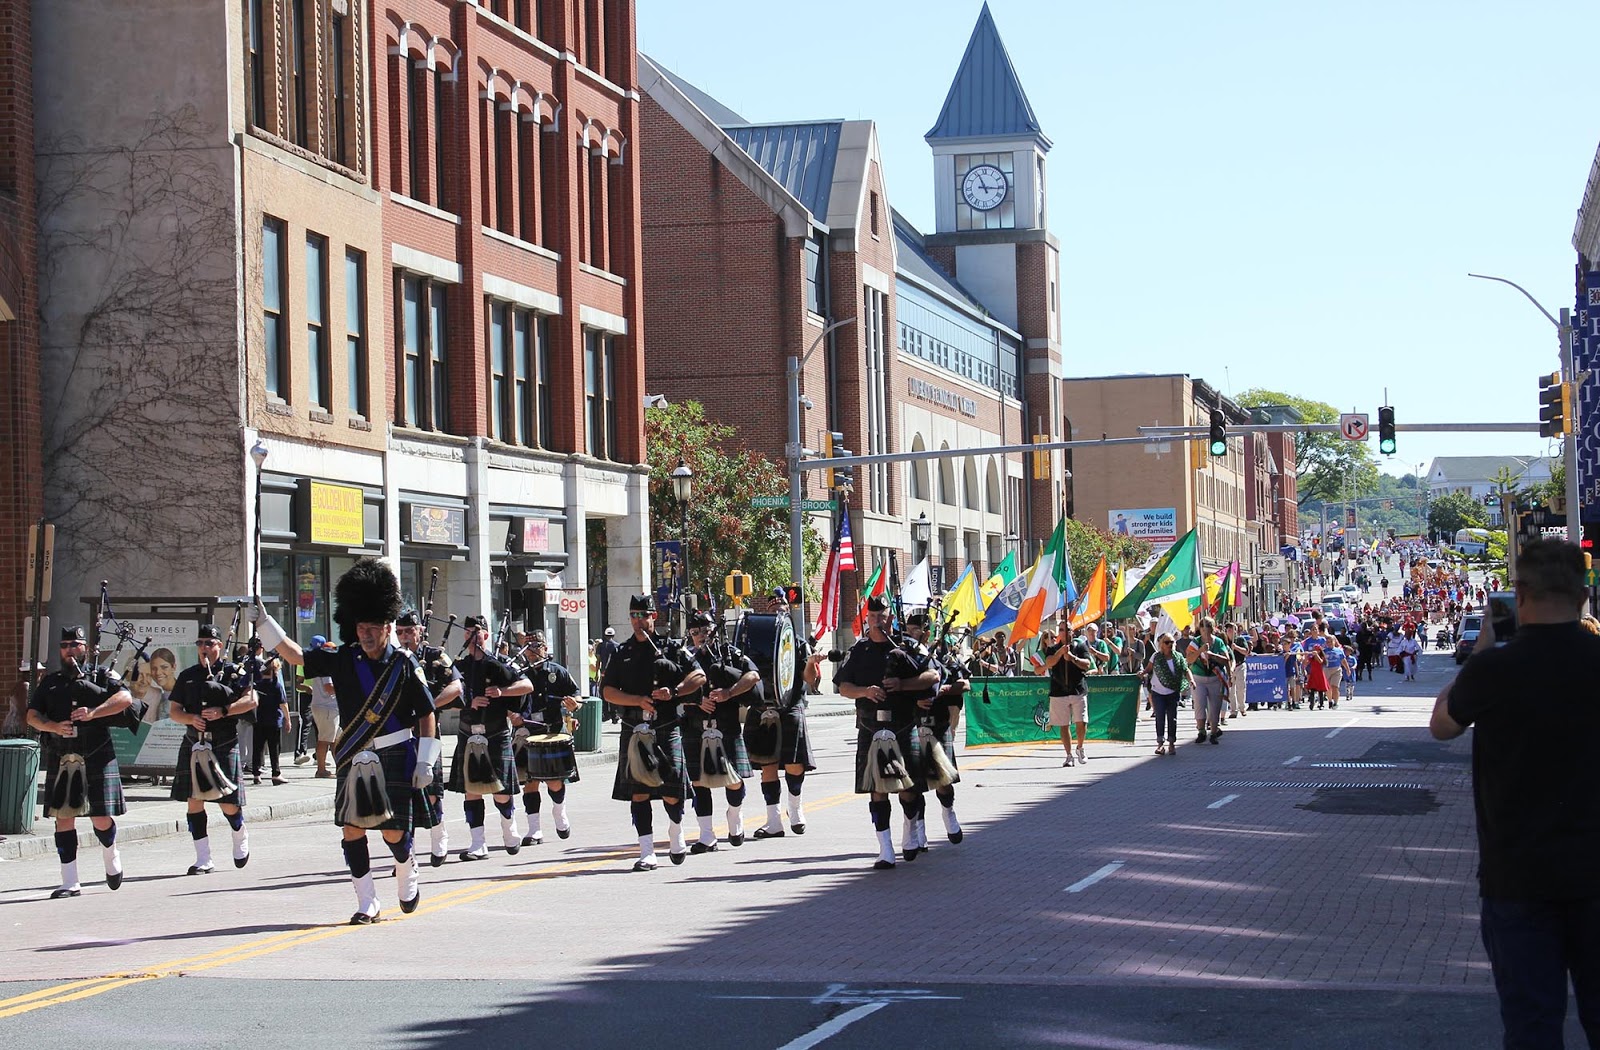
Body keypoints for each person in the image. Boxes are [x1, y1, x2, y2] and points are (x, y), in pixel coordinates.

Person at [1429, 538, 1600, 1048]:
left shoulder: (1494, 669)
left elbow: (1442, 726)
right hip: (1596, 870)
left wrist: (1482, 649)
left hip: (1518, 874)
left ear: (1518, 592)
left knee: (1531, 1024)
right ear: (1583, 593)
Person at [256, 558, 440, 925]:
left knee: (393, 831)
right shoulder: (343, 659)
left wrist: (425, 760)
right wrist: (263, 623)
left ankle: (406, 868)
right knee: (352, 828)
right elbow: (294, 656)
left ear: (387, 628)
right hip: (355, 754)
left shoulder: (404, 665)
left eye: (373, 627)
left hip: (396, 753)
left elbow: (426, 712)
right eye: (360, 627)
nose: (366, 634)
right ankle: (366, 900)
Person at [26, 625, 134, 899]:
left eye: (75, 645)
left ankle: (111, 853)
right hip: (62, 755)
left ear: (85, 648)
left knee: (99, 819)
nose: (69, 650)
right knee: (63, 819)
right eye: (65, 645)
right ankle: (70, 881)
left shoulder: (102, 675)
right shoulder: (50, 682)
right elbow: (31, 716)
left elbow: (125, 699)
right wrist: (52, 726)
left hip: (96, 753)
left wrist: (94, 713)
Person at [601, 594, 706, 870]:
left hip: (666, 726)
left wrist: (675, 692)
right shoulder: (621, 652)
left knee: (672, 791)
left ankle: (675, 830)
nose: (638, 621)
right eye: (633, 615)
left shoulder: (670, 648)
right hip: (634, 728)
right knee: (639, 793)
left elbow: (699, 676)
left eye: (643, 615)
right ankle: (646, 851)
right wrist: (636, 700)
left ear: (653, 617)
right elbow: (607, 691)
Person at [834, 595, 937, 869]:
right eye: (873, 616)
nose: (878, 621)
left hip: (903, 725)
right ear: (866, 618)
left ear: (891, 617)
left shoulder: (908, 646)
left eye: (882, 616)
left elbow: (933, 676)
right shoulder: (859, 651)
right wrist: (864, 692)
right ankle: (885, 849)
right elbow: (843, 687)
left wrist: (902, 685)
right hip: (870, 727)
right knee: (876, 790)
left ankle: (909, 829)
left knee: (909, 790)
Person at [168, 624, 257, 875]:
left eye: (210, 643)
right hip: (194, 742)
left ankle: (239, 832)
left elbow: (252, 700)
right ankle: (203, 858)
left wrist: (224, 711)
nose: (205, 648)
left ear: (220, 645)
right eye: (201, 643)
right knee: (194, 801)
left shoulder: (233, 673)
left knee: (227, 803)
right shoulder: (188, 675)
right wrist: (190, 719)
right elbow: (174, 711)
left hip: (223, 741)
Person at [449, 615, 533, 861]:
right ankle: (478, 843)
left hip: (496, 732)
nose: (471, 636)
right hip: (468, 732)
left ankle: (510, 829)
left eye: (476, 631)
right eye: (467, 632)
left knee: (501, 792)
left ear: (486, 634)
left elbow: (527, 686)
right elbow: (448, 697)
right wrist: (468, 701)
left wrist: (502, 691)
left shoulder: (502, 662)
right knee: (471, 791)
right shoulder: (461, 666)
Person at [681, 611, 758, 852]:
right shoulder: (683, 659)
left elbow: (753, 676)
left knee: (733, 780)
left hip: (726, 727)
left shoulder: (730, 654)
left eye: (706, 630)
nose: (702, 636)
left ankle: (734, 816)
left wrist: (729, 693)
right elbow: (673, 689)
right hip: (694, 727)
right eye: (695, 632)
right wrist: (695, 701)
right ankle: (706, 836)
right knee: (698, 782)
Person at [751, 588, 822, 839]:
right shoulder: (755, 642)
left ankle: (796, 809)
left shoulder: (798, 642)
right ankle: (773, 821)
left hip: (790, 705)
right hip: (763, 707)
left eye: (782, 606)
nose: (778, 610)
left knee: (793, 763)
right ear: (767, 612)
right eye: (773, 607)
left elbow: (809, 681)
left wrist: (812, 662)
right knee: (767, 764)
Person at [395, 610, 462, 866]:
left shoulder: (435, 655)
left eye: (409, 631)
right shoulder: (394, 658)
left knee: (431, 791)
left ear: (420, 630)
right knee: (402, 795)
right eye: (400, 632)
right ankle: (406, 855)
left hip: (427, 729)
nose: (404, 637)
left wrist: (429, 705)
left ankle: (439, 837)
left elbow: (457, 686)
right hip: (400, 731)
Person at [512, 630, 580, 847]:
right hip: (526, 732)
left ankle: (559, 813)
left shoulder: (557, 672)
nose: (531, 651)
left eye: (536, 646)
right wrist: (511, 715)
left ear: (545, 648)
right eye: (528, 647)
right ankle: (534, 829)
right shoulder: (518, 674)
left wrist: (574, 704)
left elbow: (576, 694)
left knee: (554, 782)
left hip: (553, 731)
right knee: (529, 783)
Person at [1040, 619, 1091, 767]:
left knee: (1081, 721)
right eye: (1061, 630)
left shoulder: (1080, 646)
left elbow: (1087, 664)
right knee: (1063, 724)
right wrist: (1060, 654)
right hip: (1059, 690)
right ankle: (1068, 755)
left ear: (1072, 631)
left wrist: (1072, 658)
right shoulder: (1052, 648)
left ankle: (1080, 747)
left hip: (1077, 689)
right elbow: (1049, 663)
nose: (1064, 632)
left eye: (1067, 629)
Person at [244, 639, 290, 784]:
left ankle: (256, 774)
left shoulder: (257, 685)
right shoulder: (276, 686)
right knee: (274, 747)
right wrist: (288, 720)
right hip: (274, 720)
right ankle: (276, 773)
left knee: (257, 747)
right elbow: (283, 704)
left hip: (259, 719)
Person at [1144, 633, 1191, 754]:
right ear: (1161, 645)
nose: (1170, 645)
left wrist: (1192, 680)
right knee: (1159, 717)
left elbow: (1186, 670)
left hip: (1173, 692)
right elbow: (1148, 669)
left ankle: (1171, 743)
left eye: (1172, 642)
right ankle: (1160, 744)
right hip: (1158, 693)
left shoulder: (1178, 657)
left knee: (1172, 718)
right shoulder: (1156, 657)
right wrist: (1142, 673)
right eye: (1167, 642)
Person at [1187, 618, 1230, 743]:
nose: (1205, 630)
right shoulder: (1195, 642)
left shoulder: (1218, 642)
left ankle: (1214, 732)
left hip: (1214, 678)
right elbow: (1189, 659)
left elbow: (1226, 659)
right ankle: (1201, 731)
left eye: (1208, 627)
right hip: (1199, 678)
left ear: (1212, 628)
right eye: (1202, 627)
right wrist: (1200, 650)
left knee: (1215, 706)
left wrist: (1213, 655)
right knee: (1200, 704)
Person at [307, 636, 340, 778]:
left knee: (335, 739)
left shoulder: (322, 665)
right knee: (325, 739)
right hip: (326, 707)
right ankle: (321, 770)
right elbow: (329, 687)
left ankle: (340, 767)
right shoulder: (326, 667)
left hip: (326, 707)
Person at [596, 626, 621, 719]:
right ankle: (614, 715)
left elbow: (598, 660)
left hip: (603, 673)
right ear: (613, 635)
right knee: (614, 693)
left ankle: (606, 714)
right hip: (614, 674)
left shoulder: (600, 646)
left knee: (603, 693)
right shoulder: (617, 646)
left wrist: (596, 673)